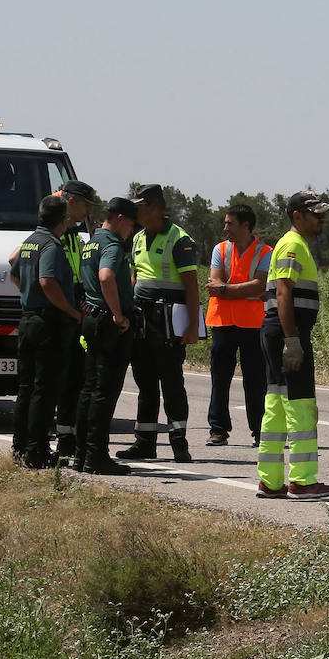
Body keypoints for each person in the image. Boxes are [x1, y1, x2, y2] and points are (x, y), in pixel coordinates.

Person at [256, 191, 329, 500]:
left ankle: (271, 481)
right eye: (316, 213)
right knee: (301, 406)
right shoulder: (292, 245)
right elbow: (283, 293)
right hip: (287, 333)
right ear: (297, 216)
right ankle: (302, 482)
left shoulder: (291, 244)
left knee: (276, 406)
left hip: (277, 331)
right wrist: (292, 341)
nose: (322, 218)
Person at [117, 184, 201, 463]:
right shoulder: (138, 237)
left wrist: (191, 327)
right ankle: (144, 443)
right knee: (145, 382)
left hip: (167, 321)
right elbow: (135, 276)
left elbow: (191, 286)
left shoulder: (179, 239)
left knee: (172, 382)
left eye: (139, 205)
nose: (135, 211)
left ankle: (179, 443)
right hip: (142, 318)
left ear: (154, 206)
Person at [10, 194, 84, 468]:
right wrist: (70, 311)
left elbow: (14, 274)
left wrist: (30, 294)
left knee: (27, 388)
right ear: (64, 220)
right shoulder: (52, 245)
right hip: (48, 323)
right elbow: (47, 281)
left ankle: (20, 448)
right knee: (45, 389)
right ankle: (37, 451)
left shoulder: (29, 242)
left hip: (28, 320)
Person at [72, 196, 139, 475]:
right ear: (121, 219)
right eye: (131, 225)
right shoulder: (111, 244)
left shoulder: (91, 243)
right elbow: (106, 277)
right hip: (108, 323)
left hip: (91, 318)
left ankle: (82, 454)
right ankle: (96, 456)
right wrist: (119, 314)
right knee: (105, 391)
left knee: (90, 388)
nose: (131, 232)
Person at [204, 205, 272, 446]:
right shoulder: (220, 249)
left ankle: (259, 430)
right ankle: (218, 429)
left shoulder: (265, 252)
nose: (225, 228)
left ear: (246, 226)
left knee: (255, 380)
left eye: (230, 223)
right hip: (223, 322)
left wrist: (225, 290)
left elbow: (260, 286)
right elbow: (215, 280)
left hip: (253, 325)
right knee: (219, 378)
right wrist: (230, 289)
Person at [52, 179, 101, 460]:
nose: (89, 211)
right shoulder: (55, 233)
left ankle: (68, 438)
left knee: (76, 378)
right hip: (61, 306)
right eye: (86, 205)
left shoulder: (73, 235)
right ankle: (61, 437)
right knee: (61, 378)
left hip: (76, 301)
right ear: (71, 202)